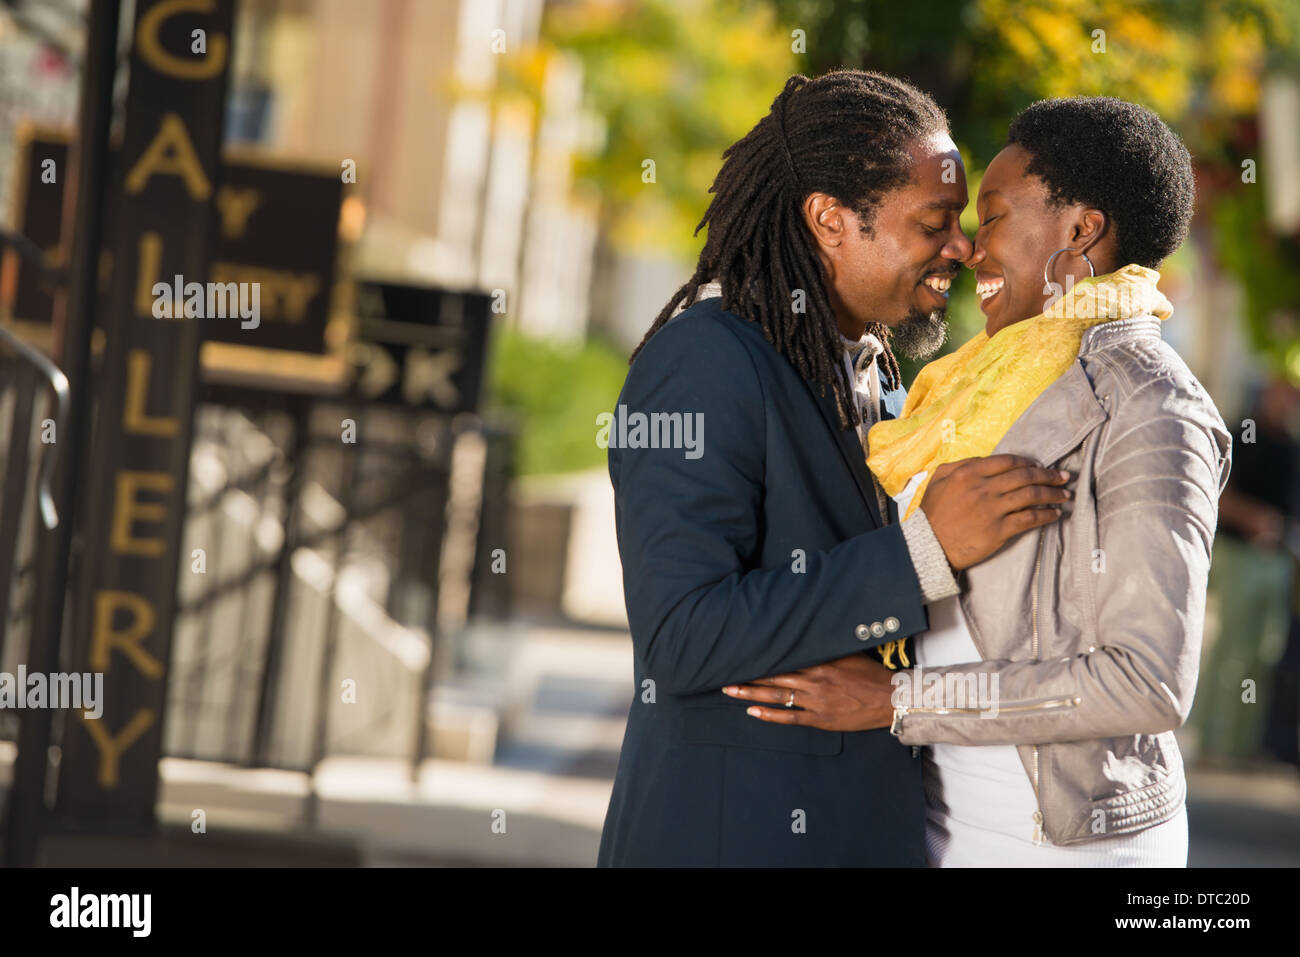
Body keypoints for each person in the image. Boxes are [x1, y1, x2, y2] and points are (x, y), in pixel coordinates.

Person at [725, 96, 1232, 867]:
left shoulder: (1153, 406)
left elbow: (1148, 682)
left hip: (1061, 841)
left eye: (991, 216)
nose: (970, 249)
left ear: (1079, 229)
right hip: (935, 817)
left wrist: (896, 704)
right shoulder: (978, 381)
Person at [598, 71, 1072, 867]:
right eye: (933, 223)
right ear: (829, 220)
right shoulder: (702, 360)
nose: (962, 247)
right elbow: (681, 634)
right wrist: (924, 553)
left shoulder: (877, 370)